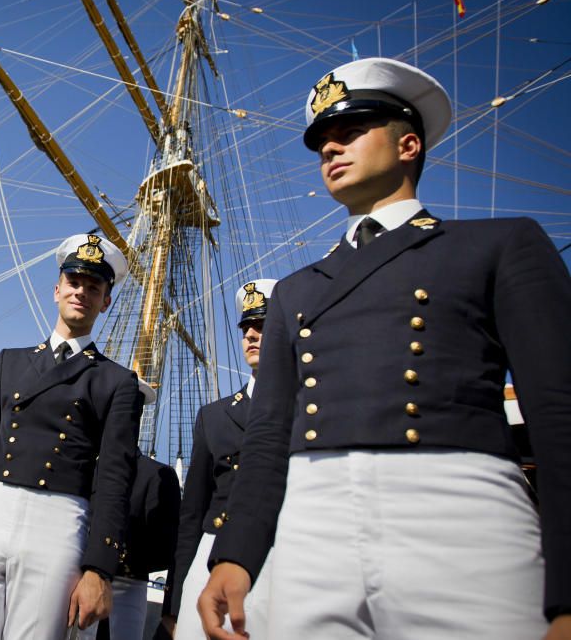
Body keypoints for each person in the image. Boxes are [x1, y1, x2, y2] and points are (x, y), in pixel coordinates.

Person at [197, 57, 571, 639]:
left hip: (459, 515)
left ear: (409, 144)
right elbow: (269, 434)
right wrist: (235, 554)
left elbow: (560, 413)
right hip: (311, 526)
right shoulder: (296, 291)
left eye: (349, 132)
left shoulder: (499, 245)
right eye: (322, 140)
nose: (329, 148)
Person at [0, 233, 142, 639]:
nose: (82, 292)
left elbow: (114, 479)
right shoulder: (10, 362)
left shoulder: (117, 382)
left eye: (94, 287)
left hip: (58, 522)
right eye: (74, 282)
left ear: (106, 301)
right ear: (57, 289)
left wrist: (99, 568)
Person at [169, 280, 275, 639]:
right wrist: (174, 599)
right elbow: (192, 514)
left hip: (278, 554)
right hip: (210, 551)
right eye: (247, 327)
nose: (251, 335)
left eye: (263, 326)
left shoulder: (308, 409)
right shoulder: (213, 417)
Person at [79, 380, 180, 640]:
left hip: (129, 580)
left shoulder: (159, 475)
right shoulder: (83, 466)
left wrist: (112, 556)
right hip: (77, 577)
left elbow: (166, 543)